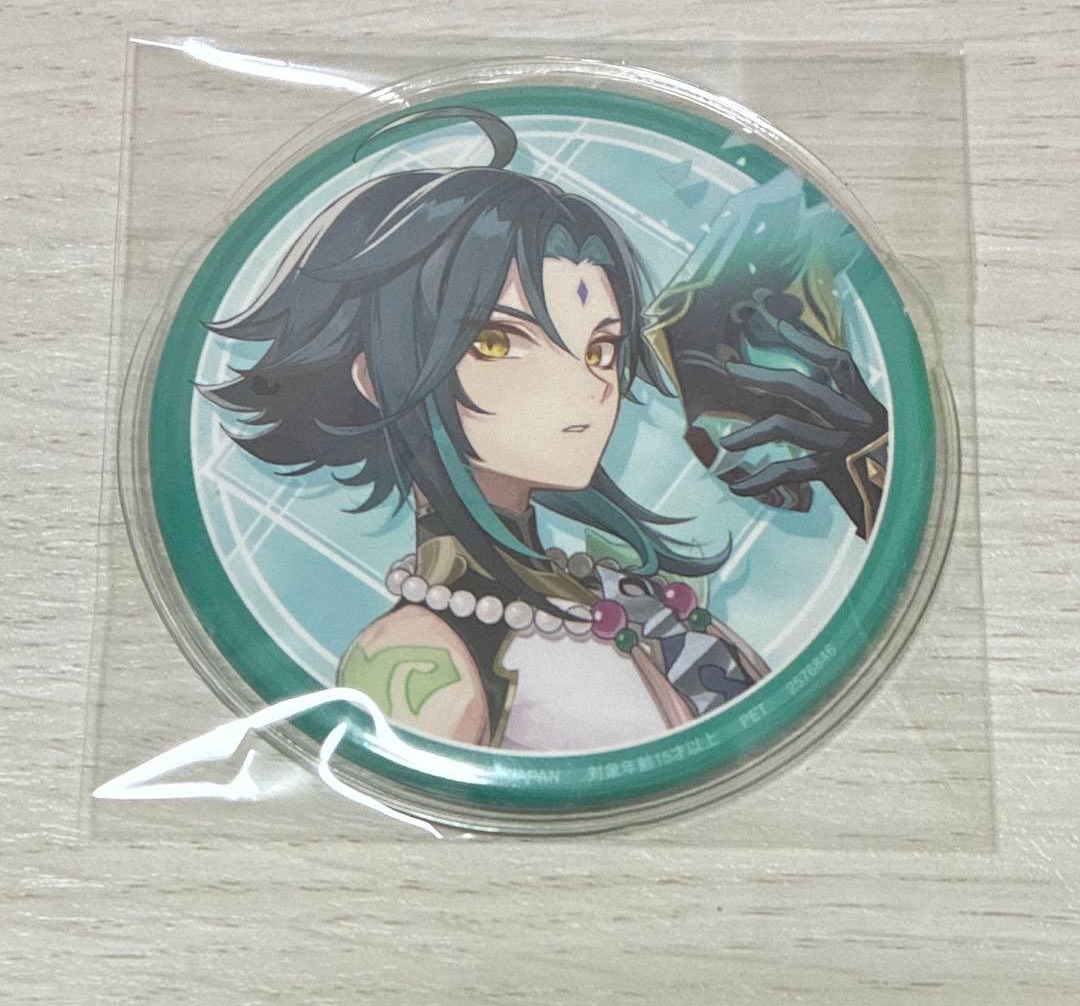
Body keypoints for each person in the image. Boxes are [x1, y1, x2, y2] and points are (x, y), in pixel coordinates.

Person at [201, 107, 886, 751]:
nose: (588, 387)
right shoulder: (416, 657)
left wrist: (873, 469)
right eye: (500, 342)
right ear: (376, 375)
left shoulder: (631, 595)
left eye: (601, 349)